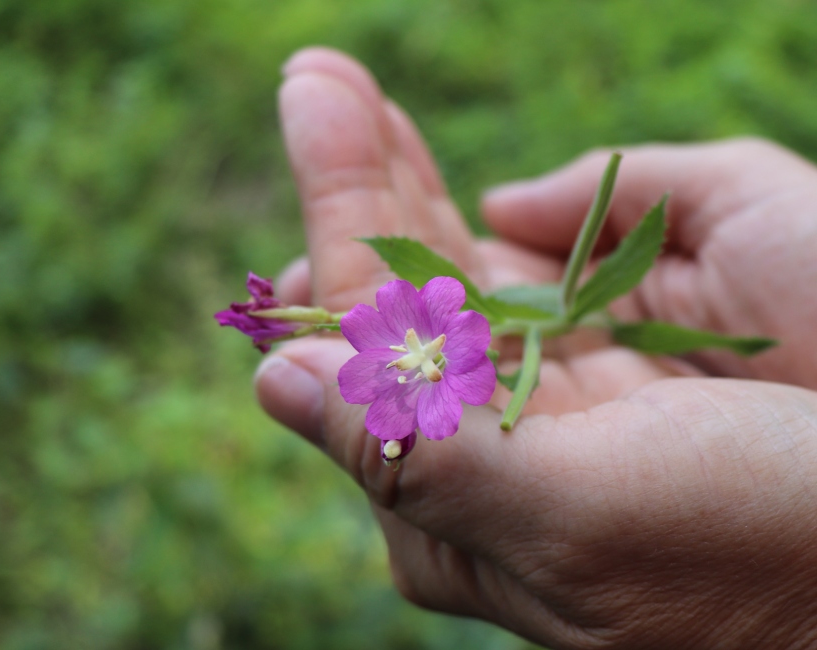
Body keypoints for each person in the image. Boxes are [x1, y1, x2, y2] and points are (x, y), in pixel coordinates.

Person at [253, 47, 817, 649]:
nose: (420, 362)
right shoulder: (430, 366)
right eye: (424, 359)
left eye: (427, 358)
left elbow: (449, 334)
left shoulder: (455, 343)